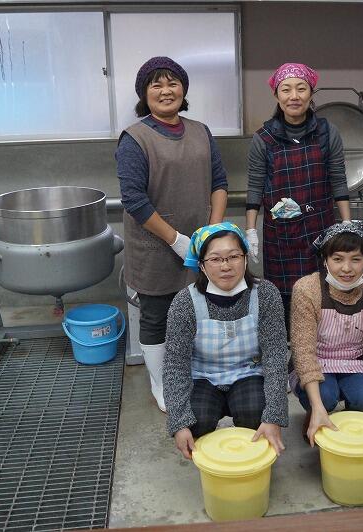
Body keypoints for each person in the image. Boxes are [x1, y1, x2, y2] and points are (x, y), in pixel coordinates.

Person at [116, 56, 228, 412]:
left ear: (183, 90)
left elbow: (219, 183)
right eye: (157, 85)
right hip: (154, 247)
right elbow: (134, 200)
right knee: (157, 315)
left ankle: (192, 371)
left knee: (198, 310)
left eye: (173, 83)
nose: (166, 91)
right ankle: (160, 382)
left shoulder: (201, 131)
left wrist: (212, 232)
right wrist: (177, 240)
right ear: (144, 94)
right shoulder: (135, 139)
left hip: (200, 245)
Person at [163, 222, 289, 459]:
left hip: (248, 372)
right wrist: (179, 423)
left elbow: (275, 357)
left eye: (233, 256)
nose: (226, 266)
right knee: (196, 420)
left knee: (256, 411)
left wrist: (273, 416)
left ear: (245, 258)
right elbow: (175, 366)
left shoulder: (265, 294)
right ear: (201, 264)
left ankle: (251, 463)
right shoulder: (185, 302)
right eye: (215, 259)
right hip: (202, 376)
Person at [245, 62, 351, 327]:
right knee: (285, 303)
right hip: (280, 235)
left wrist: (347, 224)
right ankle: (288, 351)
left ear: (311, 93)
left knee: (322, 298)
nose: (294, 96)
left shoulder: (327, 132)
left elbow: (338, 179)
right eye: (286, 90)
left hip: (321, 228)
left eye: (301, 88)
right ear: (276, 95)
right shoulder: (264, 138)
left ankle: (322, 349)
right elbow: (255, 186)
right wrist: (250, 230)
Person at [290, 222, 363, 446]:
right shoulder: (307, 289)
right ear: (325, 260)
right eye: (338, 259)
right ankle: (316, 414)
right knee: (325, 396)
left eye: (355, 259)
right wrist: (318, 407)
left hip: (355, 362)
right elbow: (303, 350)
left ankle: (350, 424)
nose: (347, 268)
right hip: (316, 362)